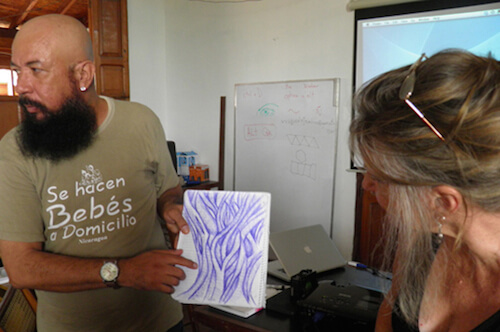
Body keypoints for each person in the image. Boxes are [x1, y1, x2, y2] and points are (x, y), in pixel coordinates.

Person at [0, 14, 198, 332]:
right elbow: (21, 267)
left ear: (83, 74)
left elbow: (168, 189)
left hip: (160, 322)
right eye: (16, 71)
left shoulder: (142, 122)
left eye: (35, 70)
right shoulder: (14, 151)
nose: (21, 86)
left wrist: (171, 204)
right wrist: (123, 271)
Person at [350, 49, 500, 332]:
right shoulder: (421, 241)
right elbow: (387, 318)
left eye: (379, 177)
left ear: (443, 203)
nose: (367, 185)